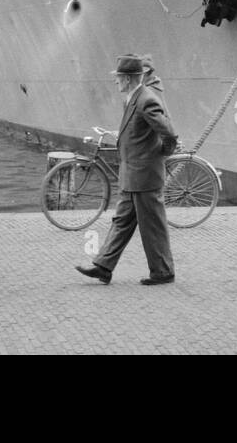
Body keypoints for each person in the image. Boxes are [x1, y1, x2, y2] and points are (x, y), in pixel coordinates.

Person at [76, 53, 180, 286]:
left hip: (144, 175)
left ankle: (163, 272)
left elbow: (169, 132)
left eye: (119, 77)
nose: (116, 82)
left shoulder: (146, 100)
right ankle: (103, 266)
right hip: (132, 174)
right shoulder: (133, 99)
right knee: (121, 221)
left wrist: (164, 151)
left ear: (129, 79)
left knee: (152, 227)